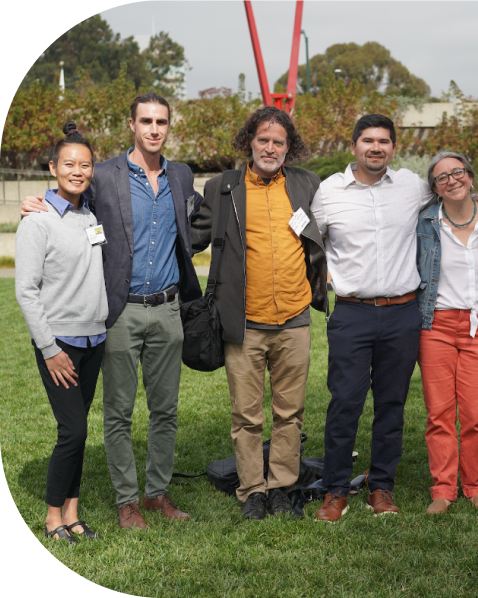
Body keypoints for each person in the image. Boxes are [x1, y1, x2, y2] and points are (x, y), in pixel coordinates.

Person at [23, 93, 203, 529]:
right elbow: (72, 191)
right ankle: (126, 501)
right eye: (146, 120)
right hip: (119, 311)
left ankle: (157, 492)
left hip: (167, 308)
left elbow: (199, 220)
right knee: (118, 412)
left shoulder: (181, 175)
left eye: (161, 121)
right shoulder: (104, 174)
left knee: (166, 410)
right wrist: (38, 201)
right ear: (132, 125)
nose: (154, 129)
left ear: (168, 126)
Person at [191, 107, 328, 519]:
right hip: (242, 324)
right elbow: (187, 236)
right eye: (263, 139)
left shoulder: (306, 184)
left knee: (290, 413)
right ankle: (252, 490)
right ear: (249, 141)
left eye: (279, 142)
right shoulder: (222, 187)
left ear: (290, 148)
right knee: (246, 415)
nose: (270, 148)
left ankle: (282, 488)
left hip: (294, 319)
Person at [310, 114, 433, 522]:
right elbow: (309, 243)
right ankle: (335, 489)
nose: (375, 148)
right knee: (345, 402)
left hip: (402, 314)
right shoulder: (328, 192)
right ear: (354, 147)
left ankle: (381, 487)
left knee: (391, 404)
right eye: (367, 140)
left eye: (383, 141)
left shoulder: (413, 188)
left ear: (394, 148)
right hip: (351, 314)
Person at [16, 122, 108, 543]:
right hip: (61, 345)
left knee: (79, 429)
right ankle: (53, 518)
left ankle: (73, 513)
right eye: (69, 164)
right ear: (53, 167)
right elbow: (26, 292)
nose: (78, 171)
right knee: (73, 431)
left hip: (95, 340)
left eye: (85, 165)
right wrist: (49, 348)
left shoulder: (89, 213)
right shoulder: (37, 221)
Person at [415, 151, 478, 514]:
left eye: (457, 172)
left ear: (470, 175)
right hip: (436, 324)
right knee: (439, 412)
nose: (451, 180)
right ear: (434, 188)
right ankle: (443, 488)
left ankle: (477, 484)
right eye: (442, 178)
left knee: (477, 413)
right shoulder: (424, 221)